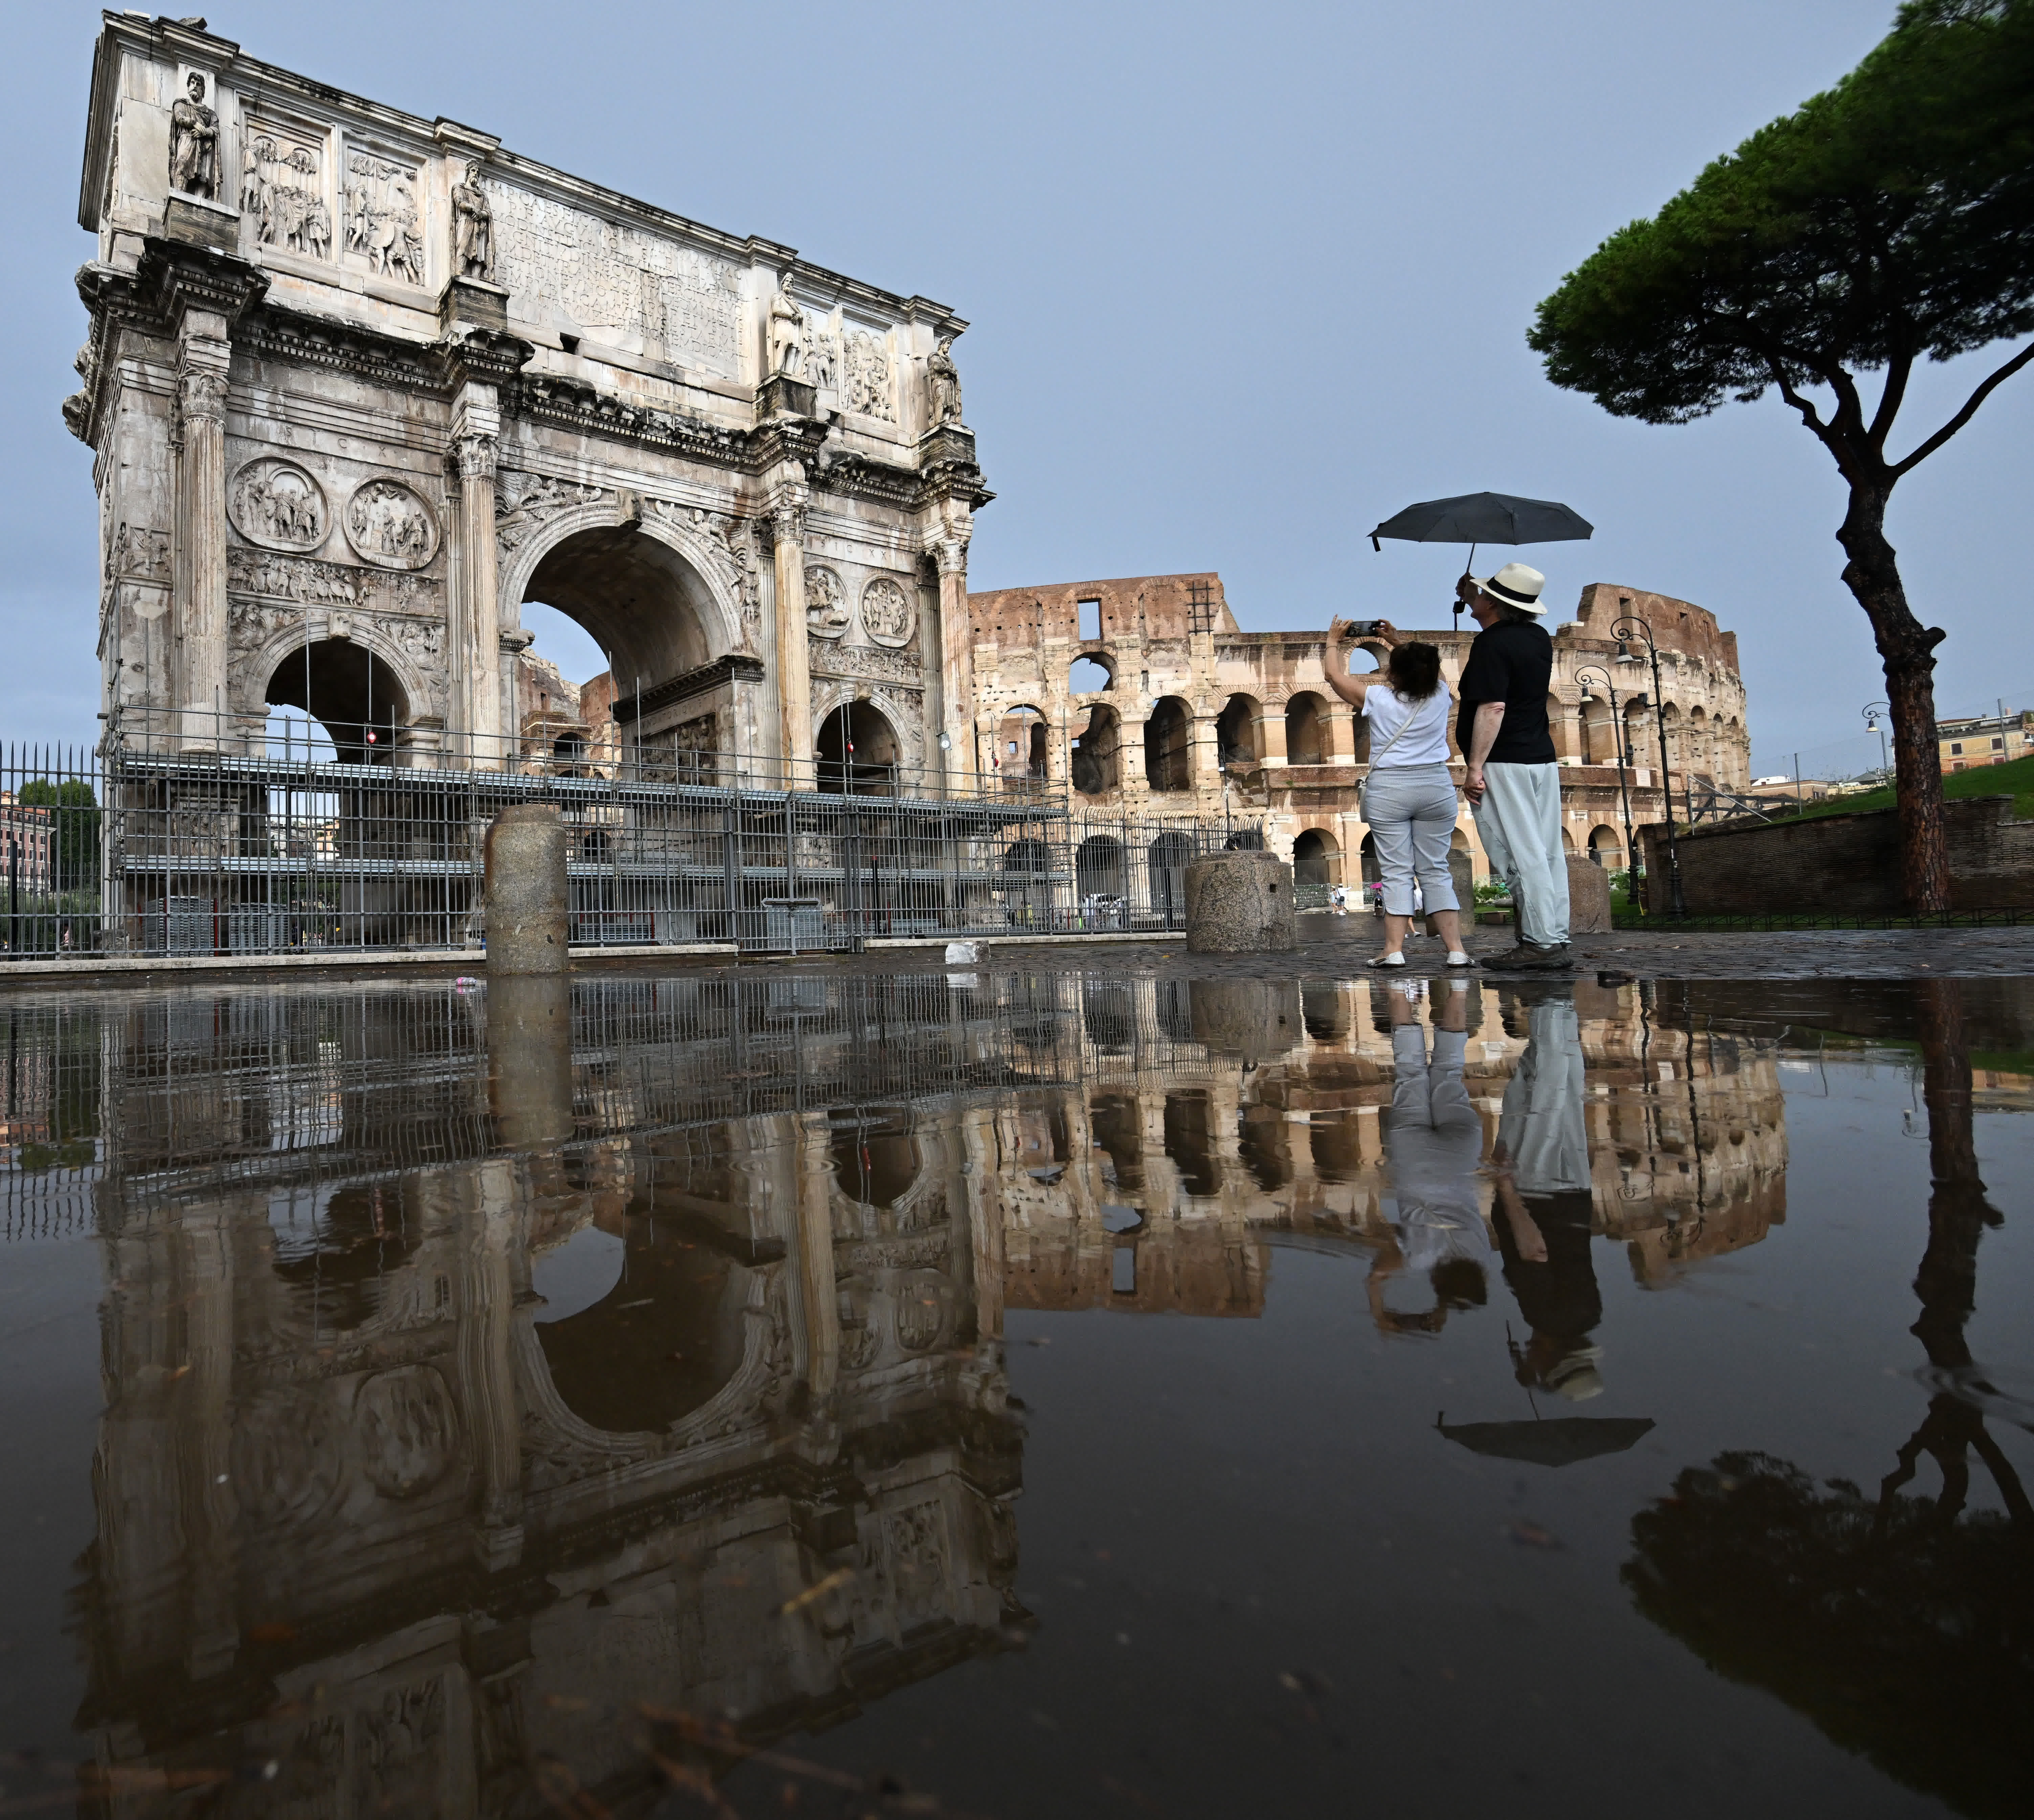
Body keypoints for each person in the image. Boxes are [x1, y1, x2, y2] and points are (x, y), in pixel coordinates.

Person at [1324, 619, 1470, 969]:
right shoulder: (1440, 694)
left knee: (1396, 872)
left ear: (1393, 672)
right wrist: (1396, 640)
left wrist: (1332, 642)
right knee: (1436, 868)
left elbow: (1334, 678)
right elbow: (1430, 672)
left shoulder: (1377, 697)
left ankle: (1393, 950)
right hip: (1436, 784)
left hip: (1390, 786)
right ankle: (1456, 950)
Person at [1454, 563, 1571, 970]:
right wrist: (1470, 594)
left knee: (1521, 854)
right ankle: (1553, 936)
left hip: (1504, 760)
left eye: (1482, 594)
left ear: (1495, 603)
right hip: (1541, 758)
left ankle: (1539, 945)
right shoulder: (1538, 638)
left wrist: (1474, 767)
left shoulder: (1490, 646)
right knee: (1547, 852)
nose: (1476, 598)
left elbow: (1493, 707)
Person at [1490, 987, 1603, 1399]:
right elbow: (1535, 1252)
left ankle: (1560, 1013)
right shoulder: (1547, 1316)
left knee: (1563, 1096)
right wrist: (1507, 1191)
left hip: (1576, 1194)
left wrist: (1530, 1361)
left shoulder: (1589, 1315)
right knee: (1536, 1096)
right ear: (1553, 1360)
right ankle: (1548, 1004)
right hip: (1537, 1194)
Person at [1367, 978, 1490, 1336]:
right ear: (1438, 1285)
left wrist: (1443, 1307)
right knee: (1410, 1072)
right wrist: (1379, 1310)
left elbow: (1462, 1280)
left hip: (1460, 1156)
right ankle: (1396, 990)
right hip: (1415, 1162)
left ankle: (1459, 988)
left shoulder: (1481, 1255)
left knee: (1449, 1071)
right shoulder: (1422, 1258)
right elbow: (1377, 1273)